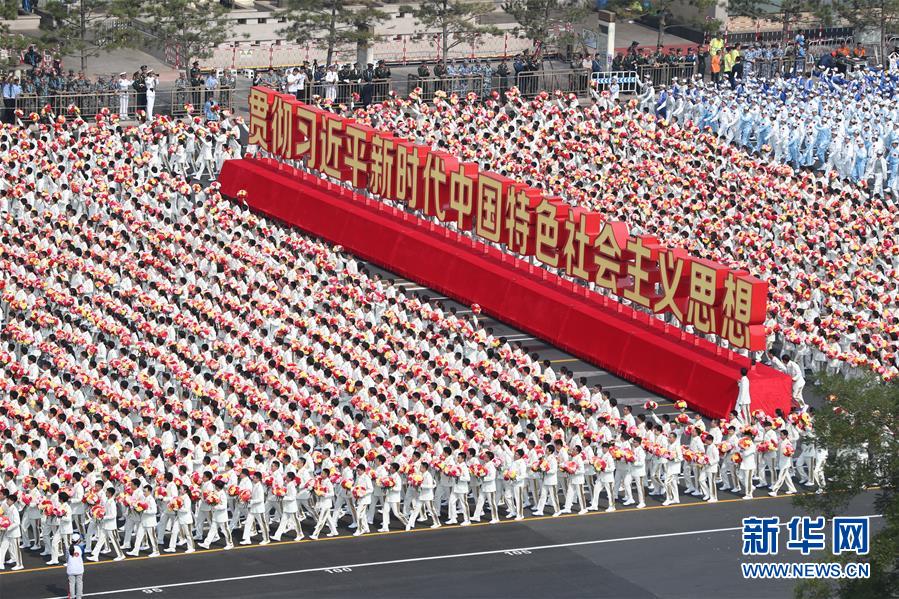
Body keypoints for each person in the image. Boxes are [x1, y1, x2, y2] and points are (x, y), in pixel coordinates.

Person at [66, 534, 85, 599]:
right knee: (79, 583)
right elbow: (82, 557)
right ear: (78, 540)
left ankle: (72, 596)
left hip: (71, 569)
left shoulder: (68, 548)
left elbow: (67, 558)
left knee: (71, 584)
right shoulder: (81, 547)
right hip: (79, 568)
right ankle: (79, 597)